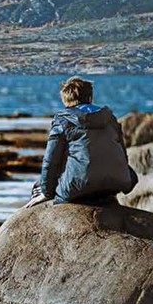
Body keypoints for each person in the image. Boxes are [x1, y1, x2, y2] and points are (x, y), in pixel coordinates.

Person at [24, 76, 138, 208]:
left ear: (65, 99)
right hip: (117, 183)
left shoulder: (63, 120)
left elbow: (51, 161)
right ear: (90, 98)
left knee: (38, 187)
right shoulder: (110, 118)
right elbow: (123, 155)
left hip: (79, 187)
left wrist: (46, 193)